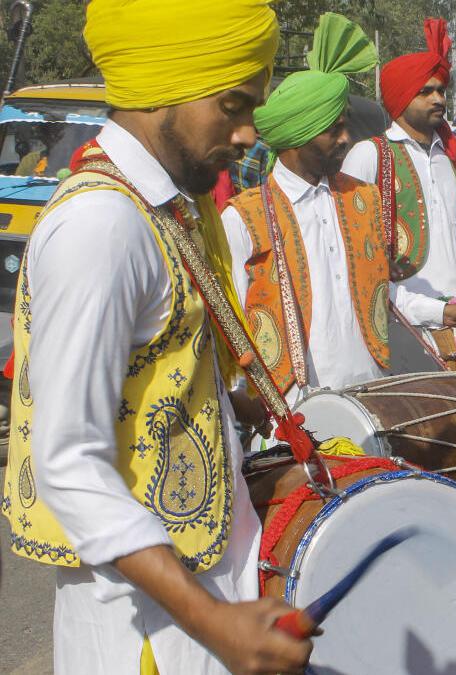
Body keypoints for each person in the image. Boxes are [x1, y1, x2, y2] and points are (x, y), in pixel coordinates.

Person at [0, 1, 314, 672]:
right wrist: (214, 623)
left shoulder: (162, 208)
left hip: (198, 600)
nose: (248, 132)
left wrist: (226, 411)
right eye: (232, 105)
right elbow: (69, 462)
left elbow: (148, 381)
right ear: (163, 86)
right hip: (150, 629)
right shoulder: (103, 227)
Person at [221, 14, 456, 413]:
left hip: (371, 400)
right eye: (334, 130)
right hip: (291, 415)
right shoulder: (244, 219)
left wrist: (444, 311)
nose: (347, 139)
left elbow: (381, 291)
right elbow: (233, 337)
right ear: (297, 137)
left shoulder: (362, 200)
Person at [341, 17, 456, 301]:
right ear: (401, 97)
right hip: (404, 320)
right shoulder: (371, 155)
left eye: (441, 90)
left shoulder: (453, 161)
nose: (438, 99)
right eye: (425, 91)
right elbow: (351, 251)